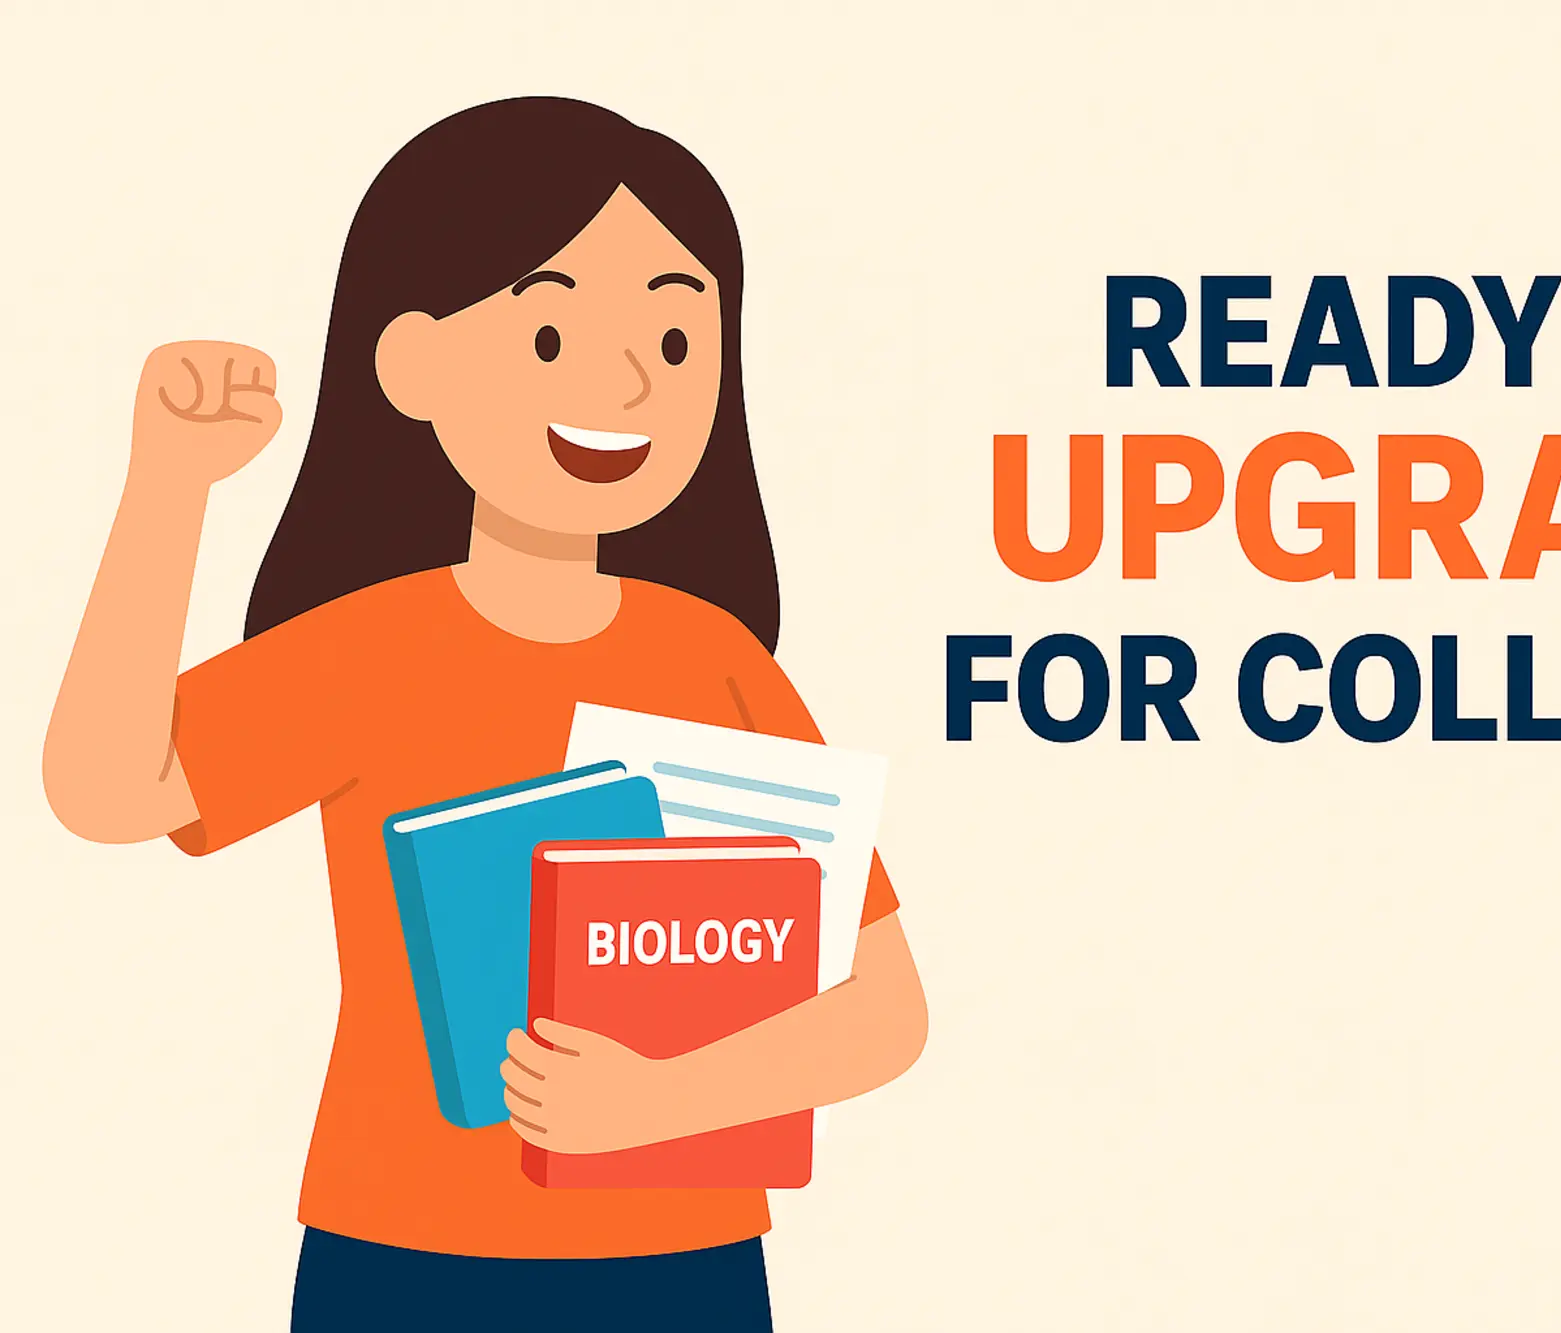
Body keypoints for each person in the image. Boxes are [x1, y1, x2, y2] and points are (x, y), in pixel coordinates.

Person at [42, 96, 927, 1332]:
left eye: (675, 344)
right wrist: (166, 488)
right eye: (552, 330)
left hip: (677, 1260)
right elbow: (105, 791)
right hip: (402, 1252)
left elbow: (880, 1010)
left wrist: (657, 1101)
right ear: (409, 363)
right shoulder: (366, 650)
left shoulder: (710, 663)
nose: (624, 381)